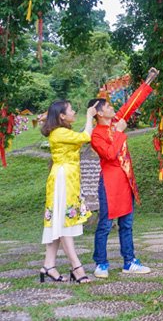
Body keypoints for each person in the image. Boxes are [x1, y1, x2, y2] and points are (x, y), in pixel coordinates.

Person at [87, 67, 158, 278]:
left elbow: (133, 103)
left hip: (125, 181)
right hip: (109, 184)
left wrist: (148, 81)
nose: (112, 107)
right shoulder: (97, 135)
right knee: (105, 224)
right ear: (99, 113)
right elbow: (109, 155)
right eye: (107, 106)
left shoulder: (117, 120)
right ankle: (101, 263)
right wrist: (119, 133)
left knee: (126, 224)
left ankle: (129, 261)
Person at [40, 100, 98, 284]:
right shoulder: (60, 133)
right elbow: (86, 137)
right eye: (71, 110)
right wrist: (90, 116)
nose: (74, 112)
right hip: (63, 179)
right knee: (64, 222)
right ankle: (76, 267)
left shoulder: (63, 132)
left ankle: (48, 265)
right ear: (62, 116)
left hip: (67, 178)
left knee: (59, 220)